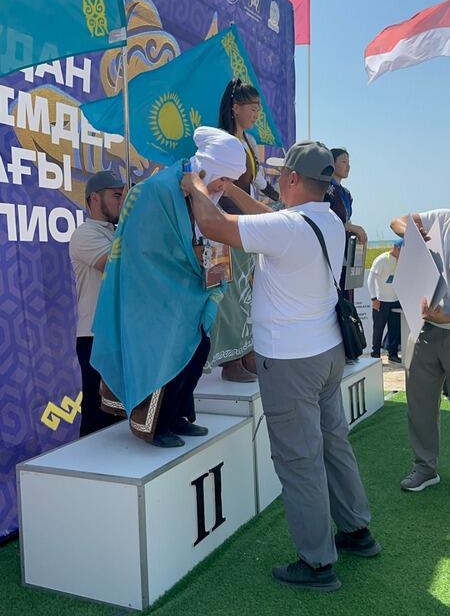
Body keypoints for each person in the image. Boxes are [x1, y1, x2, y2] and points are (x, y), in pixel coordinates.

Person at [181, 141, 380, 591]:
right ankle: (357, 531)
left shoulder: (287, 227)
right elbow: (269, 219)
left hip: (291, 362)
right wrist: (232, 189)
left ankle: (316, 563)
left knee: (298, 460)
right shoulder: (328, 220)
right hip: (327, 354)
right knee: (334, 444)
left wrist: (197, 186)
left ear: (291, 179)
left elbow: (214, 225)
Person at [90, 127, 247, 447]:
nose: (224, 186)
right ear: (208, 168)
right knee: (162, 352)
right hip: (152, 292)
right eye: (223, 178)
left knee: (196, 350)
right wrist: (191, 255)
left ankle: (176, 416)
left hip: (189, 292)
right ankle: (152, 424)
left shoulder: (204, 195)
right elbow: (143, 247)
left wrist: (206, 259)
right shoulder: (155, 190)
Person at [209, 79, 278, 383]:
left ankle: (247, 351)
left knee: (246, 292)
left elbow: (260, 181)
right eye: (252, 108)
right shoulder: (221, 141)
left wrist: (280, 198)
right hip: (223, 223)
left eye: (259, 109)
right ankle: (230, 359)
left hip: (247, 224)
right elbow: (215, 183)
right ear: (235, 108)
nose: (256, 114)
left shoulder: (248, 141)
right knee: (228, 293)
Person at [391, 209, 450, 491]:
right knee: (420, 406)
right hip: (424, 329)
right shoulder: (442, 217)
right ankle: (425, 468)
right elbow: (397, 221)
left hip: (443, 322)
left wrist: (446, 318)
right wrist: (411, 234)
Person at [69, 171, 125, 437]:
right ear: (94, 198)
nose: (122, 202)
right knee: (98, 415)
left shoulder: (115, 232)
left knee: (120, 417)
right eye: (116, 196)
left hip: (119, 334)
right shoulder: (84, 234)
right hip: (94, 336)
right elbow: (117, 268)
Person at [325, 148, 367, 301]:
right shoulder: (326, 189)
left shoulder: (346, 194)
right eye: (343, 161)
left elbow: (347, 221)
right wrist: (351, 227)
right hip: (331, 252)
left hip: (346, 251)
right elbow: (325, 222)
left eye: (349, 162)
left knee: (347, 297)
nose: (348, 166)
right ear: (332, 163)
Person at [368, 240, 402, 363]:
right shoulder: (381, 259)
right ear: (397, 248)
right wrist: (374, 298)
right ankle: (375, 354)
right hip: (381, 301)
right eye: (403, 251)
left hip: (395, 301)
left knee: (395, 329)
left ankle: (392, 354)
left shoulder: (401, 261)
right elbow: (370, 279)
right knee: (378, 329)